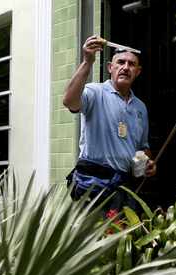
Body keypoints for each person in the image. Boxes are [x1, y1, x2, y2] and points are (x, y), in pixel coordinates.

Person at [63, 35, 156, 211]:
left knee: (121, 237)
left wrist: (149, 163)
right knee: (94, 238)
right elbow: (69, 101)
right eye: (120, 62)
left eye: (131, 64)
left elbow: (142, 147)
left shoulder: (140, 107)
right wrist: (87, 62)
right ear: (110, 68)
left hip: (123, 186)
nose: (125, 67)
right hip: (91, 185)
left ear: (138, 71)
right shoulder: (95, 92)